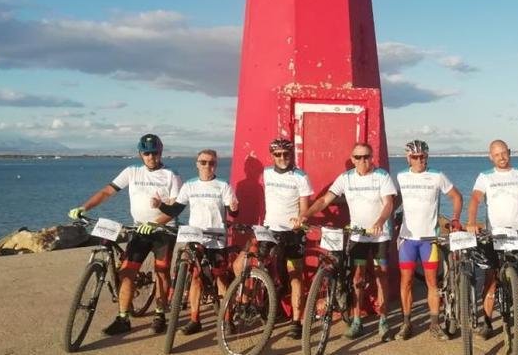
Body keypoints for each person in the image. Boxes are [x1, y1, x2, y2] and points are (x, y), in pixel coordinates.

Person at [67, 134, 182, 335]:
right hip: (139, 230)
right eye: (146, 153)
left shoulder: (171, 175)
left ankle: (160, 314)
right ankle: (123, 318)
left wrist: (155, 223)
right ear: (140, 154)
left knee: (162, 272)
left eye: (154, 152)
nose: (151, 157)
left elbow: (174, 209)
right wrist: (84, 208)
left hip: (163, 231)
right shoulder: (132, 171)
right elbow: (107, 192)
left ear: (161, 152)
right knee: (127, 272)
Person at [296, 142, 396, 340]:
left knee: (381, 275)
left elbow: (388, 204)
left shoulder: (382, 176)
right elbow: (324, 200)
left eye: (366, 156)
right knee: (358, 277)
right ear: (352, 159)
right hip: (358, 236)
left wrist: (380, 221)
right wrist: (305, 215)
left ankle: (383, 320)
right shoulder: (346, 178)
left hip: (380, 236)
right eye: (358, 157)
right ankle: (357, 321)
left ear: (372, 157)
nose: (362, 160)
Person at [465, 139, 518, 342]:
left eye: (504, 153)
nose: (501, 157)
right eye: (496, 154)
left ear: (509, 152)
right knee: (491, 278)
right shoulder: (485, 176)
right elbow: (475, 199)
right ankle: (487, 321)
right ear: (490, 157)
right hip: (494, 235)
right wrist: (471, 222)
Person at [151, 149, 238, 335]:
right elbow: (175, 210)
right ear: (197, 164)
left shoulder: (223, 185)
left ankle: (228, 319)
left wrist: (234, 208)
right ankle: (194, 320)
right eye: (203, 162)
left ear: (216, 165)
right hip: (195, 237)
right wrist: (160, 205)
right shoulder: (189, 185)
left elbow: (234, 212)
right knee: (196, 278)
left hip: (216, 239)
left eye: (211, 162)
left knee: (221, 279)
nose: (207, 166)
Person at [241, 138, 313, 340]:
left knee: (294, 275)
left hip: (292, 233)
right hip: (270, 230)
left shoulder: (301, 176)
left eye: (286, 154)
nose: (282, 157)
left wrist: (301, 219)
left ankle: (296, 321)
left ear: (291, 155)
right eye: (278, 154)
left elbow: (305, 207)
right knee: (258, 268)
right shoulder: (266, 173)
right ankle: (263, 305)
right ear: (272, 155)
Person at [394, 140, 464, 341]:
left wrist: (455, 219)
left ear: (427, 157)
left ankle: (434, 324)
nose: (419, 161)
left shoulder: (437, 176)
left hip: (429, 239)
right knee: (406, 282)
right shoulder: (401, 176)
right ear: (408, 158)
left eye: (423, 157)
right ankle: (406, 323)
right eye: (415, 157)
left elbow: (457, 197)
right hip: (407, 240)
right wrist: (386, 217)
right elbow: (395, 200)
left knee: (432, 283)